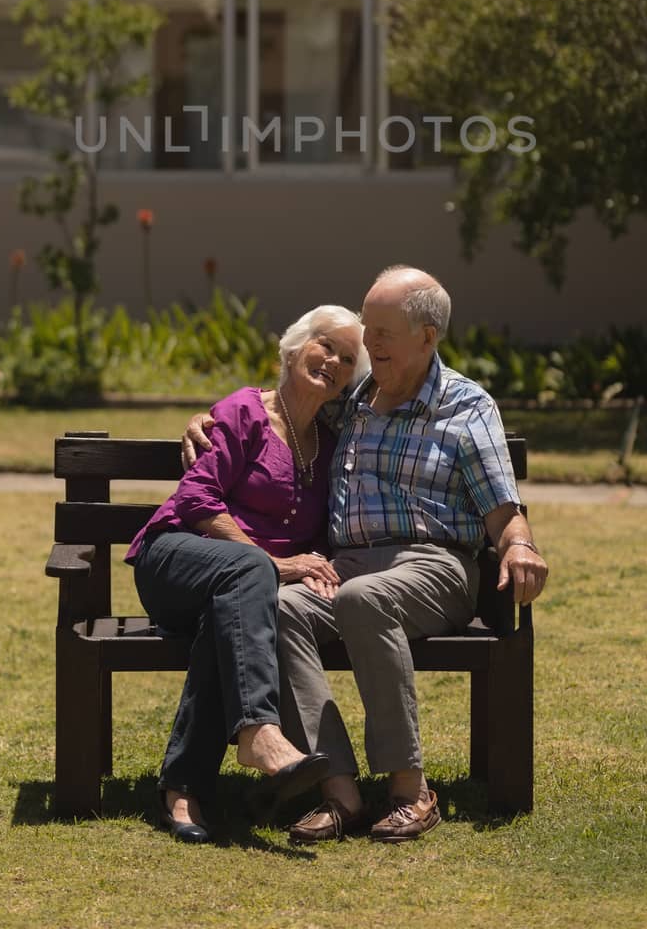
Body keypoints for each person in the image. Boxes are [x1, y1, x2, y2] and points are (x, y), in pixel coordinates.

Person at [183, 265, 548, 844]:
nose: (367, 341)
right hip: (350, 564)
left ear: (428, 336)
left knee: (363, 599)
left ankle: (410, 788)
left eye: (383, 330)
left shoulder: (466, 407)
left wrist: (520, 545)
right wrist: (211, 419)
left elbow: (502, 505)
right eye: (366, 326)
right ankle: (340, 792)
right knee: (279, 608)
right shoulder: (351, 399)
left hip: (436, 565)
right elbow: (280, 402)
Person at [126, 303, 367, 843]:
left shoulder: (329, 447)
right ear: (293, 346)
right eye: (325, 344)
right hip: (176, 559)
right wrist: (276, 563)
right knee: (248, 573)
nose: (332, 360)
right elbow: (196, 500)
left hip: (241, 592)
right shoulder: (243, 412)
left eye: (347, 359)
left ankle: (181, 792)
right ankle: (259, 730)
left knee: (229, 614)